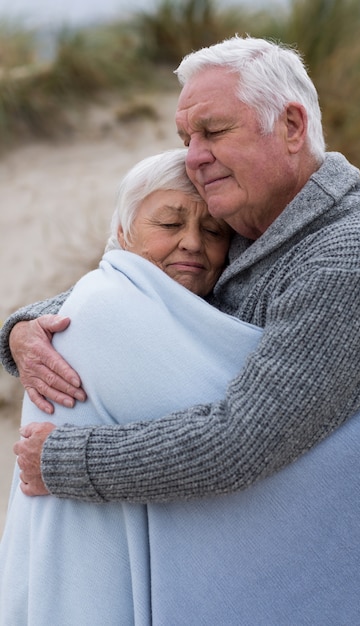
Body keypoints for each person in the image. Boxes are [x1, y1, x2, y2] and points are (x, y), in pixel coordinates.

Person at [2, 35, 360, 621]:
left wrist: (63, 463)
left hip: (325, 576)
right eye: (186, 139)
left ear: (292, 127)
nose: (195, 156)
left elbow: (242, 443)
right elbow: (143, 286)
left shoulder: (348, 259)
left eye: (214, 132)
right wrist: (25, 329)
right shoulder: (254, 224)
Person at [0, 148, 263, 624]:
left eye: (213, 232)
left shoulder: (196, 312)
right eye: (169, 224)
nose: (191, 243)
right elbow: (240, 431)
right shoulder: (103, 309)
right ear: (122, 232)